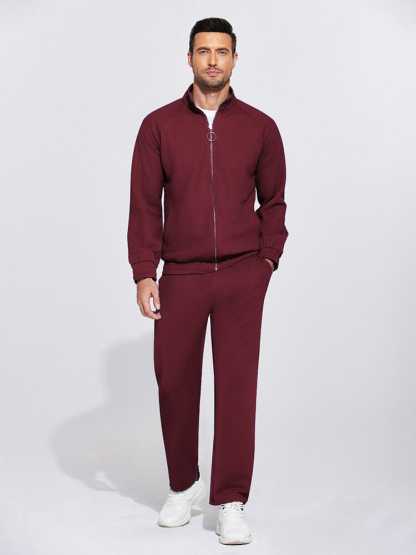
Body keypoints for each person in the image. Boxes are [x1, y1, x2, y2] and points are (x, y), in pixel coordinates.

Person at [127, 17, 289, 545]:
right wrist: (144, 272)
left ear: (235, 59)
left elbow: (275, 203)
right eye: (204, 51)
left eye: (222, 51)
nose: (213, 60)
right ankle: (183, 485)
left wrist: (267, 262)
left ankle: (231, 500)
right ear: (190, 58)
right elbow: (144, 205)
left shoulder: (260, 127)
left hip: (242, 275)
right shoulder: (158, 126)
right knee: (174, 383)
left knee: (237, 388)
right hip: (182, 274)